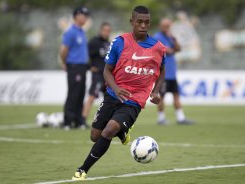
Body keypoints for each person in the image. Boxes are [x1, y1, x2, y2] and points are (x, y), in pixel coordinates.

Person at [72, 6, 166, 180]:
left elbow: (162, 69)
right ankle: (123, 132)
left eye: (146, 22)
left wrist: (156, 91)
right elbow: (107, 70)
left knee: (109, 130)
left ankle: (82, 169)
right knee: (95, 136)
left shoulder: (158, 48)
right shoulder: (119, 42)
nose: (143, 25)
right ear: (132, 22)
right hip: (113, 95)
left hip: (134, 100)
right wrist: (115, 89)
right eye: (139, 21)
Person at [154, 18, 194, 125]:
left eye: (168, 26)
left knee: (176, 94)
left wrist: (174, 39)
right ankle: (161, 118)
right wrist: (174, 48)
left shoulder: (170, 37)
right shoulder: (157, 37)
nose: (167, 28)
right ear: (160, 26)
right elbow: (169, 51)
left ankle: (180, 118)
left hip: (172, 73)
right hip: (163, 74)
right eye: (165, 26)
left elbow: (179, 48)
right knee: (162, 96)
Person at [60, 7, 90, 130]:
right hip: (74, 66)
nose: (85, 18)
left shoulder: (82, 32)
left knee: (81, 93)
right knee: (73, 93)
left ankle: (78, 120)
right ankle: (68, 121)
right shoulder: (70, 32)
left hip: (83, 67)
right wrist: (64, 62)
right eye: (83, 15)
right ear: (76, 16)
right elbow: (63, 50)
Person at [82, 22, 111, 122]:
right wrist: (89, 67)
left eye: (108, 31)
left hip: (107, 76)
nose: (106, 33)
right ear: (100, 30)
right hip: (98, 75)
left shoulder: (108, 43)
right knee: (92, 96)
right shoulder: (94, 42)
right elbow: (85, 55)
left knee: (109, 99)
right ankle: (83, 119)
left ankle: (105, 120)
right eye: (105, 30)